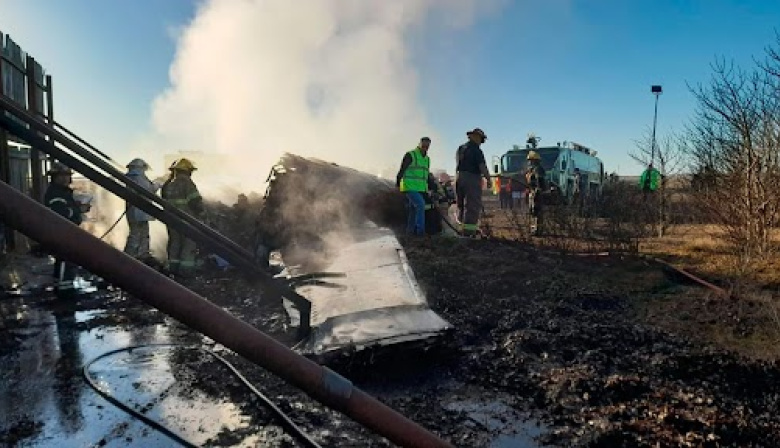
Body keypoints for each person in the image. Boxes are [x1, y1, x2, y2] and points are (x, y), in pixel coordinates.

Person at [44, 162, 91, 298]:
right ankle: (64, 294)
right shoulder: (55, 193)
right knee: (65, 260)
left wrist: (76, 207)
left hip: (66, 233)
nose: (66, 179)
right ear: (54, 177)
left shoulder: (62, 192)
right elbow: (60, 213)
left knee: (66, 261)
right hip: (61, 233)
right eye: (62, 176)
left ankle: (64, 289)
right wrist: (78, 210)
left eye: (67, 175)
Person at [161, 158, 203, 277]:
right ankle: (185, 271)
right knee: (188, 244)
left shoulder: (168, 184)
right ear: (187, 171)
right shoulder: (187, 183)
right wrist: (202, 214)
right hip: (186, 220)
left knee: (174, 243)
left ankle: (173, 268)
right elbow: (195, 201)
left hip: (171, 220)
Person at [455, 128, 492, 237]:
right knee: (472, 206)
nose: (481, 142)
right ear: (475, 137)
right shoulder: (476, 150)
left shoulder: (461, 148)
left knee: (461, 205)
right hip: (472, 178)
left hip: (459, 177)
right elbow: (482, 166)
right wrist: (488, 179)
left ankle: (459, 230)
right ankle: (469, 233)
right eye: (481, 139)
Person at [123, 158, 160, 260]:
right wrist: (157, 184)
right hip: (140, 211)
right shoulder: (138, 177)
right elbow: (148, 190)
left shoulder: (130, 177)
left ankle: (136, 255)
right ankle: (134, 256)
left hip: (135, 211)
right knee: (139, 235)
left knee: (139, 234)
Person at [396, 137, 431, 236]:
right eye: (423, 144)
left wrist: (429, 187)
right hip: (409, 186)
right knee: (420, 205)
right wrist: (398, 183)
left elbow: (426, 175)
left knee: (413, 210)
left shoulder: (427, 159)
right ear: (419, 144)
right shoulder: (410, 155)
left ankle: (409, 233)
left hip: (419, 188)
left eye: (427, 145)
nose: (425, 147)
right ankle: (421, 233)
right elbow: (402, 170)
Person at [525, 151, 546, 236]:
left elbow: (540, 182)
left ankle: (538, 230)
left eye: (530, 160)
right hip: (532, 192)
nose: (529, 162)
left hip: (536, 193)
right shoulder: (532, 170)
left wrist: (537, 192)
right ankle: (535, 229)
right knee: (533, 212)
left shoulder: (538, 169)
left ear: (534, 160)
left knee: (537, 211)